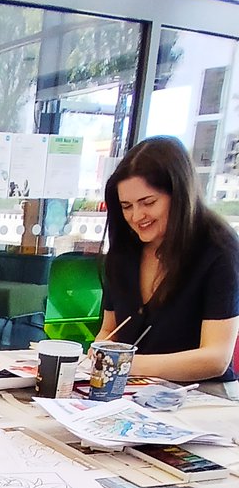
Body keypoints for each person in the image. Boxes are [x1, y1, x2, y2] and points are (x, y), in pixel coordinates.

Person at [97, 135, 239, 383]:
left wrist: (128, 363)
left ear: (179, 195)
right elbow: (110, 330)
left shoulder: (219, 249)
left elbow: (216, 358)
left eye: (148, 202)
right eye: (126, 206)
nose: (136, 216)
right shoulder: (125, 249)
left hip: (202, 397)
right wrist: (101, 348)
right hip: (134, 390)